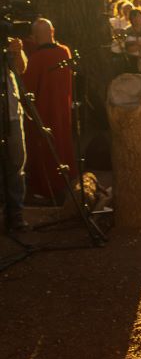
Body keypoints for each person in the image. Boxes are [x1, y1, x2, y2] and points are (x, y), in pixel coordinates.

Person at [21, 18, 76, 204]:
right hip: (62, 109)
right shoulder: (64, 52)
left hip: (43, 112)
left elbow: (26, 89)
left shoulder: (37, 59)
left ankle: (44, 187)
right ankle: (63, 181)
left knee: (43, 147)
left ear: (35, 36)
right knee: (62, 143)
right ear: (52, 32)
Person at [2, 36, 27, 231]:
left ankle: (16, 213)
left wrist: (17, 51)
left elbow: (21, 68)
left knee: (17, 161)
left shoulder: (8, 41)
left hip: (11, 110)